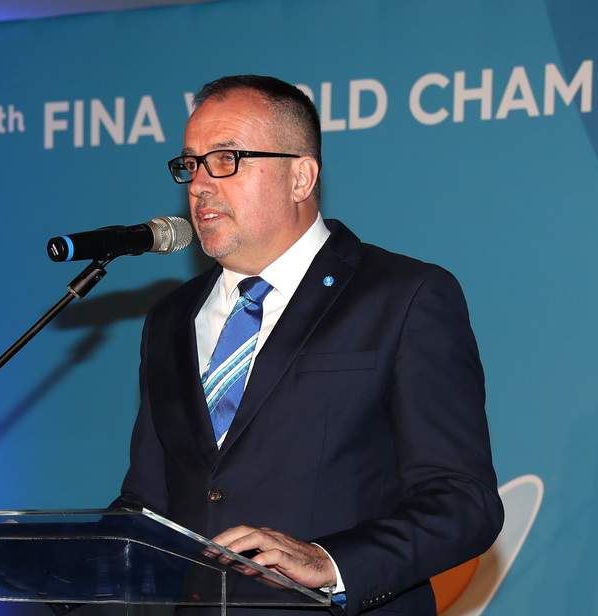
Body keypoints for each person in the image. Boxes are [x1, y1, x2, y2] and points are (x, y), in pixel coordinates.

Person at [114, 75, 504, 616]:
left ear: (301, 177)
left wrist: (331, 561)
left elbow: (464, 503)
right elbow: (149, 503)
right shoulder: (171, 317)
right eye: (191, 163)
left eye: (225, 159)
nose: (199, 184)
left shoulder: (402, 297)